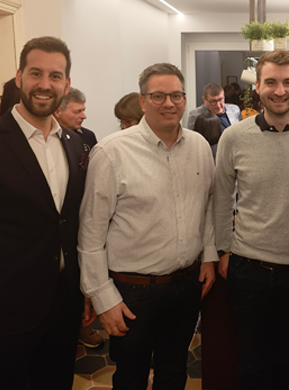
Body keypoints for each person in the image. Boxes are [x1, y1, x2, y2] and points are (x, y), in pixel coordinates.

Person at [78, 62, 216, 390]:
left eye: (176, 95)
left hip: (186, 286)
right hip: (133, 292)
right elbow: (90, 233)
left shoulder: (199, 146)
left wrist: (209, 255)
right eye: (158, 96)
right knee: (131, 376)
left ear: (185, 99)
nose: (169, 103)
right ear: (142, 101)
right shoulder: (111, 152)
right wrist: (103, 297)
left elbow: (207, 204)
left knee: (174, 370)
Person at [0, 36, 92, 389]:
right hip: (3, 317)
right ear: (19, 77)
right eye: (35, 73)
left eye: (55, 76)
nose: (45, 84)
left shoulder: (74, 144)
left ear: (66, 84)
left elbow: (71, 224)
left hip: (64, 309)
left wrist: (85, 290)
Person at [215, 50, 289, 390]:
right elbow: (222, 198)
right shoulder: (233, 137)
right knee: (251, 362)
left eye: (288, 82)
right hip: (248, 268)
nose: (279, 90)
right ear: (257, 87)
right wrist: (223, 250)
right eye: (270, 82)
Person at [54, 87, 97, 152]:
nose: (84, 116)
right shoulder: (48, 137)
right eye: (78, 111)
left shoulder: (88, 136)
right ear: (57, 112)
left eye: (83, 110)